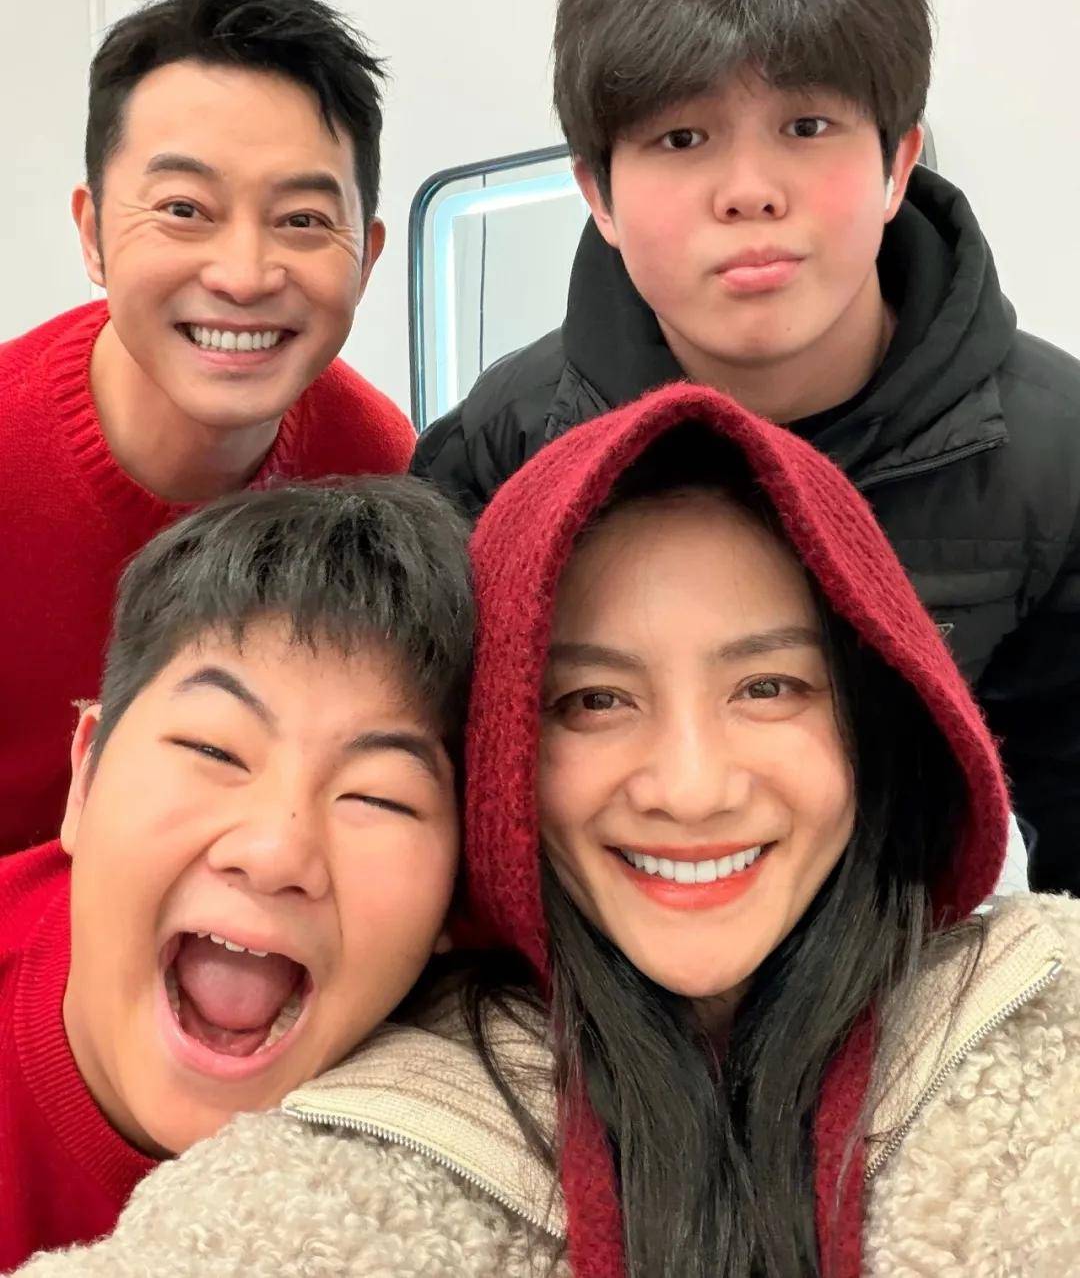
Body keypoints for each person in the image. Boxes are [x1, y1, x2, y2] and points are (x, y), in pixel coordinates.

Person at [21, 385, 1078, 1277]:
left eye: (769, 685)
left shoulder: (1041, 1016)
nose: (692, 788)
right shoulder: (395, 1140)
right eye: (594, 700)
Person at [411, 0, 1080, 896]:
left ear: (898, 162)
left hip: (905, 948)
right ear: (597, 193)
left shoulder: (1052, 455)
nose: (750, 190)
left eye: (806, 124)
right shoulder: (505, 441)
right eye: (683, 139)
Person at [0, 475, 472, 1271]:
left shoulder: (484, 1128)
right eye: (213, 749)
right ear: (85, 780)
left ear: (458, 901)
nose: (275, 851)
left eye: (379, 797)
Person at [0, 0, 416, 856]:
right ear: (92, 232)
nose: (243, 274)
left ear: (368, 257)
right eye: (185, 208)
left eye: (302, 220)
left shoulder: (376, 466)